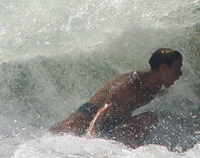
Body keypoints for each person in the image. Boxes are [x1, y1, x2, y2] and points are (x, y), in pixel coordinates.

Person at [50, 48, 183, 146]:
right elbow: (105, 109)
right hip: (91, 114)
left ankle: (122, 152)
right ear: (163, 68)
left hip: (116, 119)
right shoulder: (135, 82)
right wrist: (90, 140)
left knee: (149, 118)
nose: (180, 73)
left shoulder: (157, 85)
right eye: (177, 69)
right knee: (62, 134)